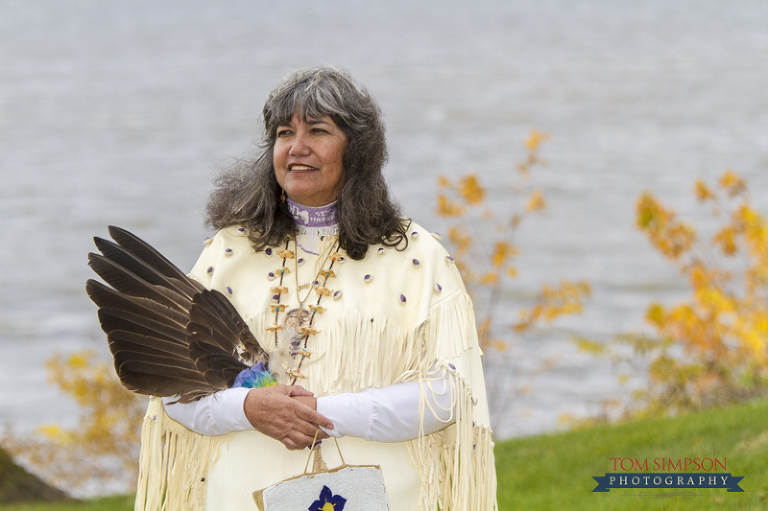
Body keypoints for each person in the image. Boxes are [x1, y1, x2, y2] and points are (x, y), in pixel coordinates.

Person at [134, 66, 497, 510]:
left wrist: (322, 414)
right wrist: (249, 409)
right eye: (285, 132)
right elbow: (174, 393)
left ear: (357, 151)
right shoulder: (227, 253)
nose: (297, 148)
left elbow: (449, 396)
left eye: (319, 131)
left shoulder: (417, 257)